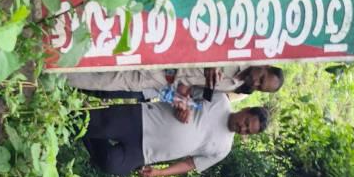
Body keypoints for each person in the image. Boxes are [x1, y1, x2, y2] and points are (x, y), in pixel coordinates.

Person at [83, 93, 268, 177]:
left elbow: (190, 164)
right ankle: (76, 116)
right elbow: (182, 90)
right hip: (143, 119)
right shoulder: (219, 99)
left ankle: (85, 124)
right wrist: (183, 104)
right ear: (245, 109)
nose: (242, 128)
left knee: (111, 164)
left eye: (247, 131)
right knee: (92, 123)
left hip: (146, 153)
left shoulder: (224, 148)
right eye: (246, 122)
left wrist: (160, 172)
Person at [65, 64, 284, 102]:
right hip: (154, 55)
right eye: (261, 78)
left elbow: (196, 93)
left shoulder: (236, 87)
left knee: (101, 83)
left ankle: (55, 76)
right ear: (265, 65)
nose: (256, 83)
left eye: (259, 87)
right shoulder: (239, 49)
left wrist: (183, 101)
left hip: (156, 82)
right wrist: (211, 62)